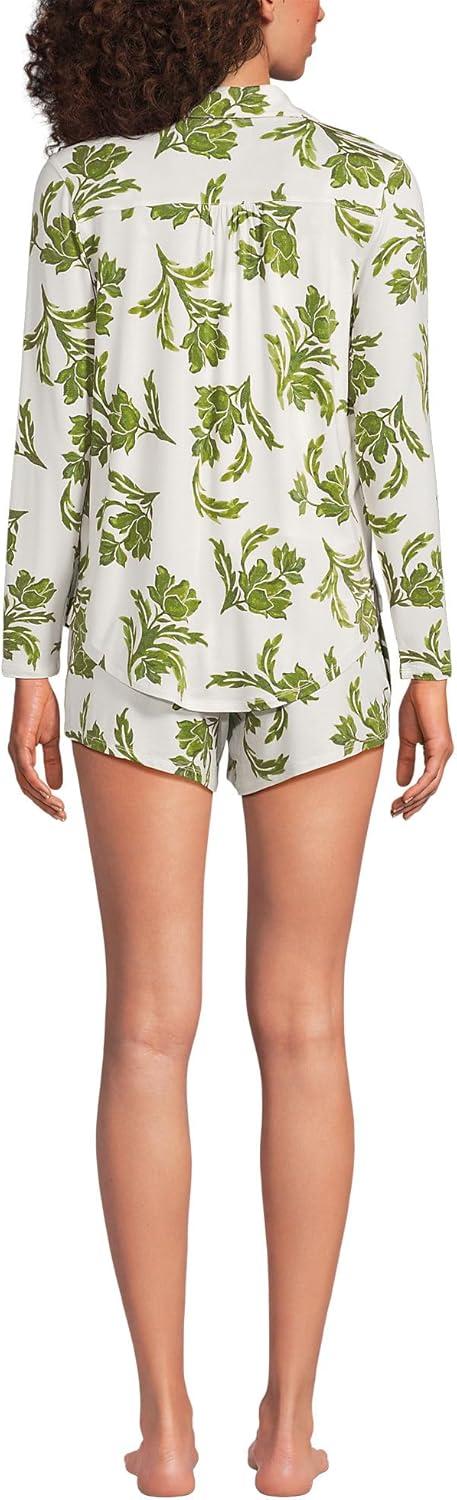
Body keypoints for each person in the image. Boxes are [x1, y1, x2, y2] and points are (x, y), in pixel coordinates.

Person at [2, 1, 453, 1495]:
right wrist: (425, 650)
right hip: (321, 638)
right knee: (306, 1026)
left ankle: (165, 1429)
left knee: (146, 1026)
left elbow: (50, 439)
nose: (329, 5)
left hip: (134, 631)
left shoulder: (85, 181)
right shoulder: (367, 185)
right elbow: (393, 442)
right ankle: (290, 1427)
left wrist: (26, 654)